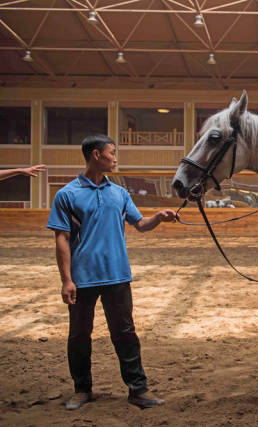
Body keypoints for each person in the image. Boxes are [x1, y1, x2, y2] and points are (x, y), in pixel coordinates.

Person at [47, 134, 176, 410]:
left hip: (118, 276)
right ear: (96, 154)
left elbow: (140, 224)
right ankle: (82, 390)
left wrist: (159, 218)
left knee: (126, 334)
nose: (115, 158)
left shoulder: (120, 193)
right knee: (79, 335)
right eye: (112, 153)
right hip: (82, 279)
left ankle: (138, 390)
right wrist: (66, 279)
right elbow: (61, 239)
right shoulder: (67, 195)